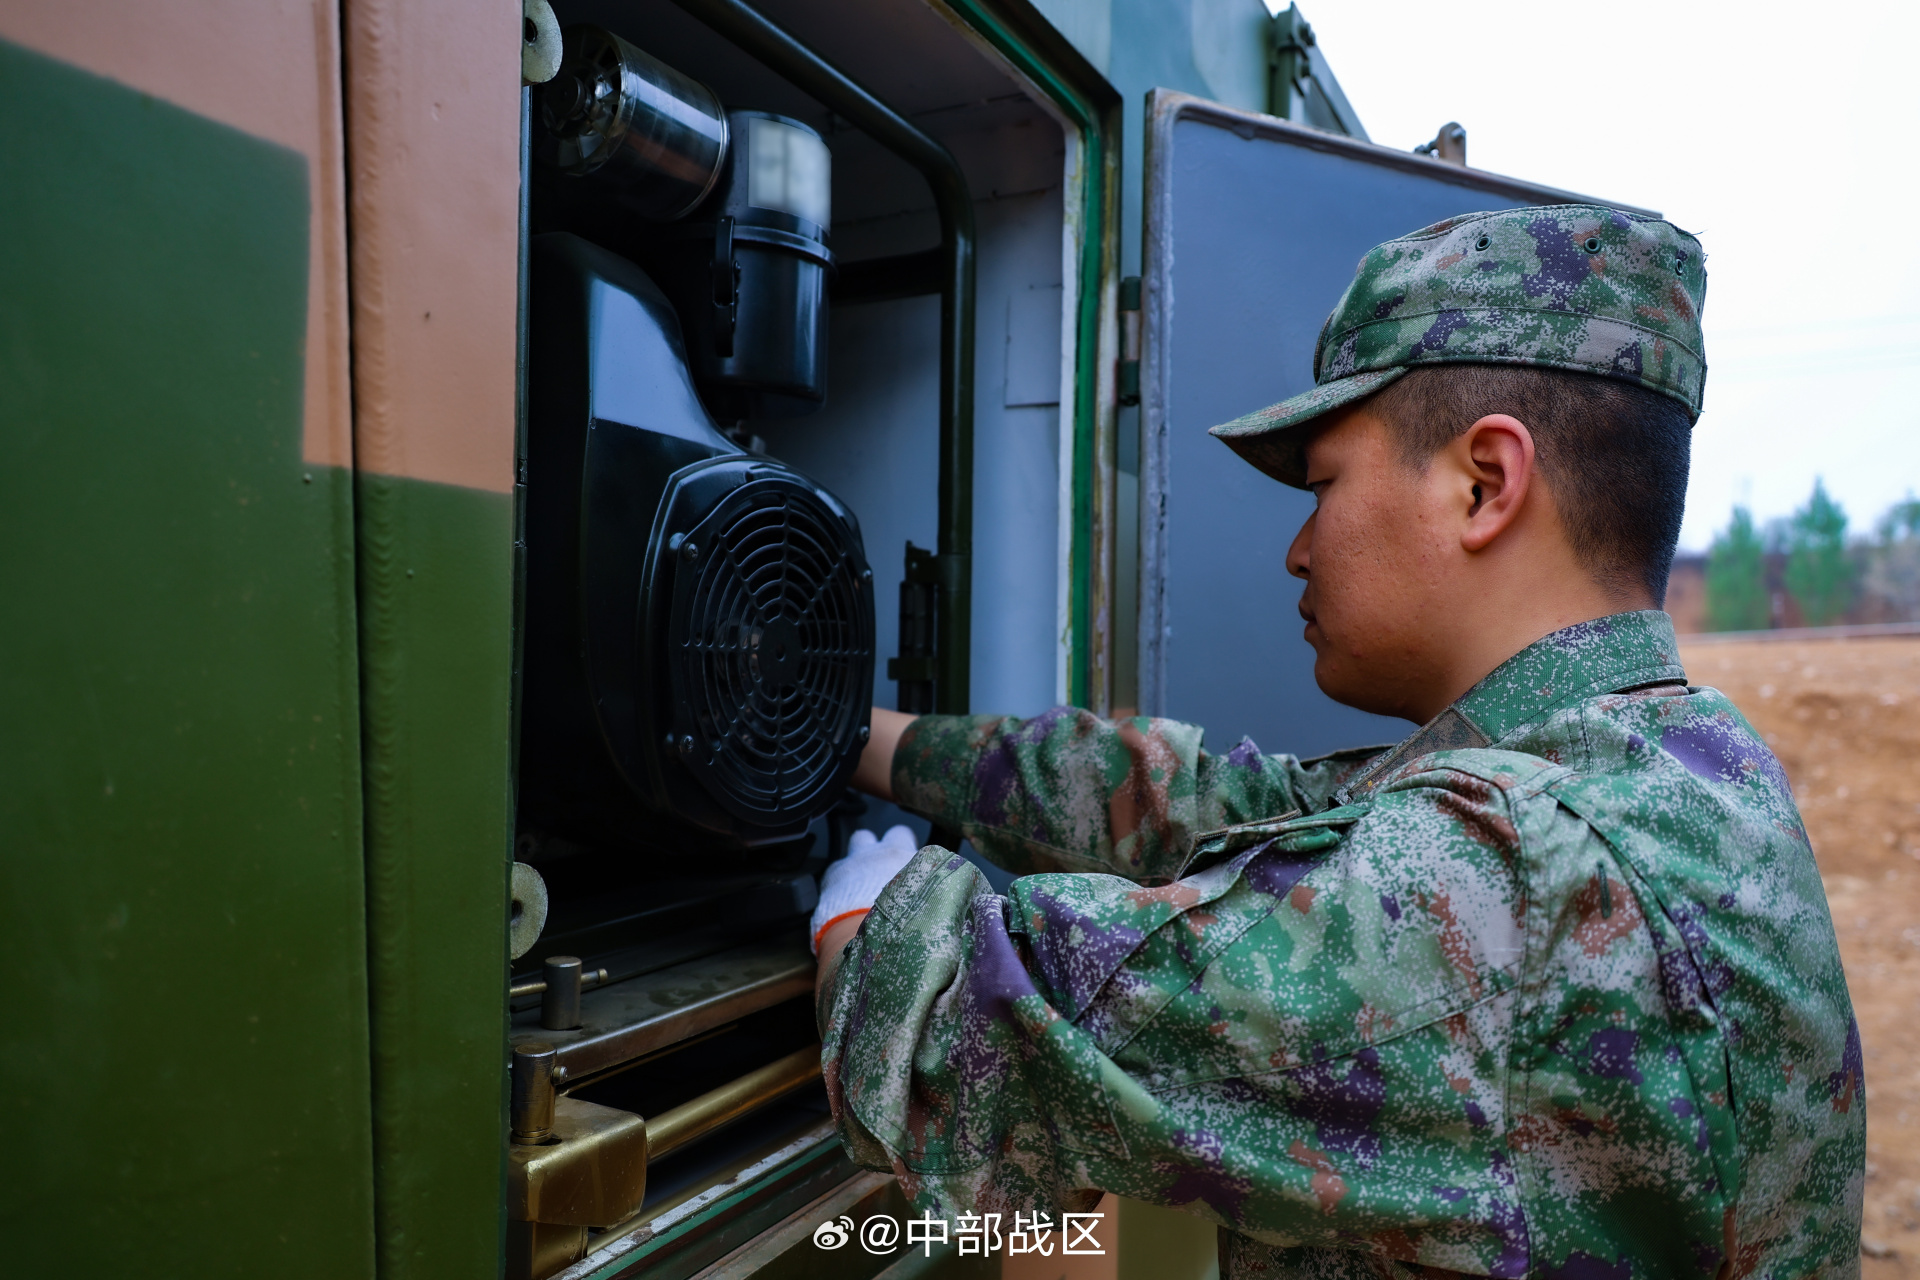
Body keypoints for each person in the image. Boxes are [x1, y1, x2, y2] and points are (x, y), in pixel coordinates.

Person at [808, 205, 1864, 1278]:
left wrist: (855, 917)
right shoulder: (1672, 759)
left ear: (1483, 483)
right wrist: (865, 738)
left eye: (1322, 486)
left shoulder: (1517, 876)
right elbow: (1218, 803)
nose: (1300, 549)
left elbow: (957, 1032)